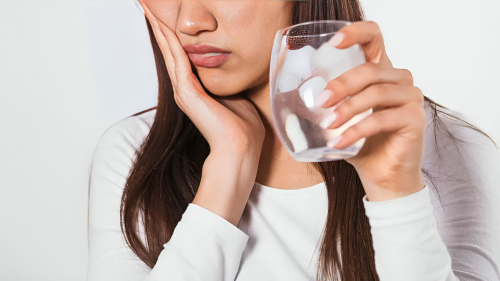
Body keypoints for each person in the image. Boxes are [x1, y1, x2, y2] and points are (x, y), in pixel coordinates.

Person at [86, 0, 500, 280]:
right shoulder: (132, 156)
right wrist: (228, 168)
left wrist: (395, 194)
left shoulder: (450, 152)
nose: (190, 21)